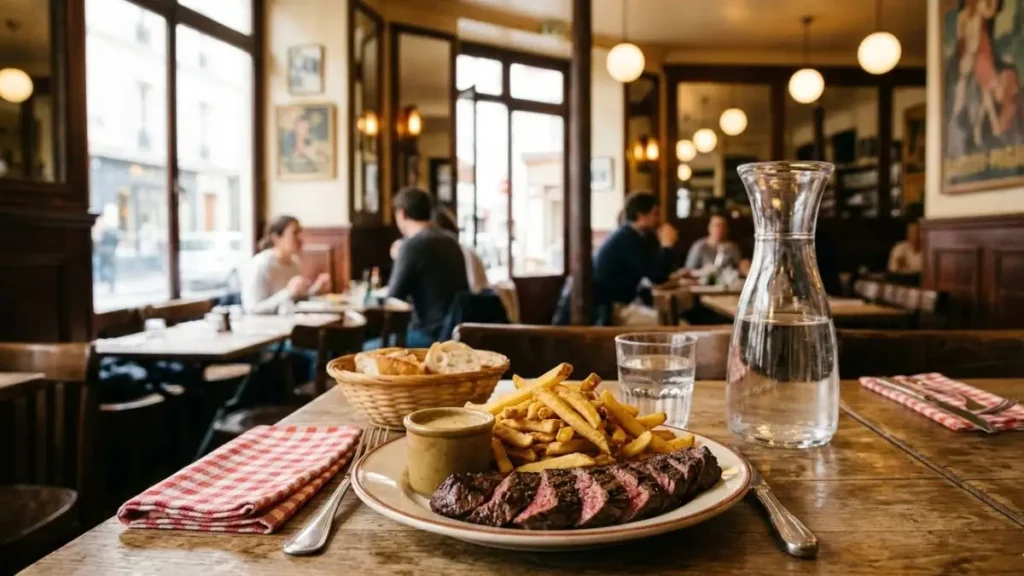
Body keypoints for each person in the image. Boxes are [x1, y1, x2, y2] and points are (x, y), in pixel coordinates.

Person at [377, 188, 468, 348]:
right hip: (454, 332)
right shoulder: (451, 240)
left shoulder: (412, 245)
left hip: (429, 336)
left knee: (359, 351)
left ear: (401, 214)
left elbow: (393, 296)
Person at [592, 191, 678, 325]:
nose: (658, 219)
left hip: (618, 305)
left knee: (670, 320)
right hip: (610, 310)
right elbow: (658, 277)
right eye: (655, 213)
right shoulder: (628, 239)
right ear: (640, 215)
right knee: (671, 326)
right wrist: (667, 245)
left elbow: (654, 272)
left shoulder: (631, 235)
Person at [242, 215, 331, 314]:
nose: (300, 239)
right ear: (276, 237)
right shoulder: (260, 265)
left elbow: (295, 300)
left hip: (290, 324)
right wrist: (288, 292)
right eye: (295, 233)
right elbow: (252, 309)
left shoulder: (294, 263)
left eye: (300, 233)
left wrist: (315, 290)